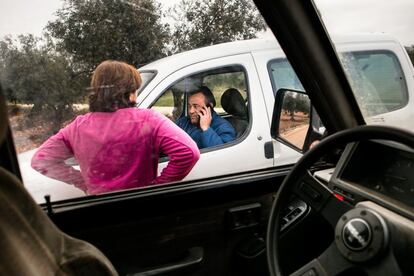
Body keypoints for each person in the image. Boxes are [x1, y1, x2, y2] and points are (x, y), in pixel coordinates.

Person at [31, 60, 200, 195]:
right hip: (142, 210)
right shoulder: (148, 119)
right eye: (135, 88)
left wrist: (82, 181)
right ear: (128, 91)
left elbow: (40, 160)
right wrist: (155, 188)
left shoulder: (77, 127)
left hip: (99, 211)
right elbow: (189, 152)